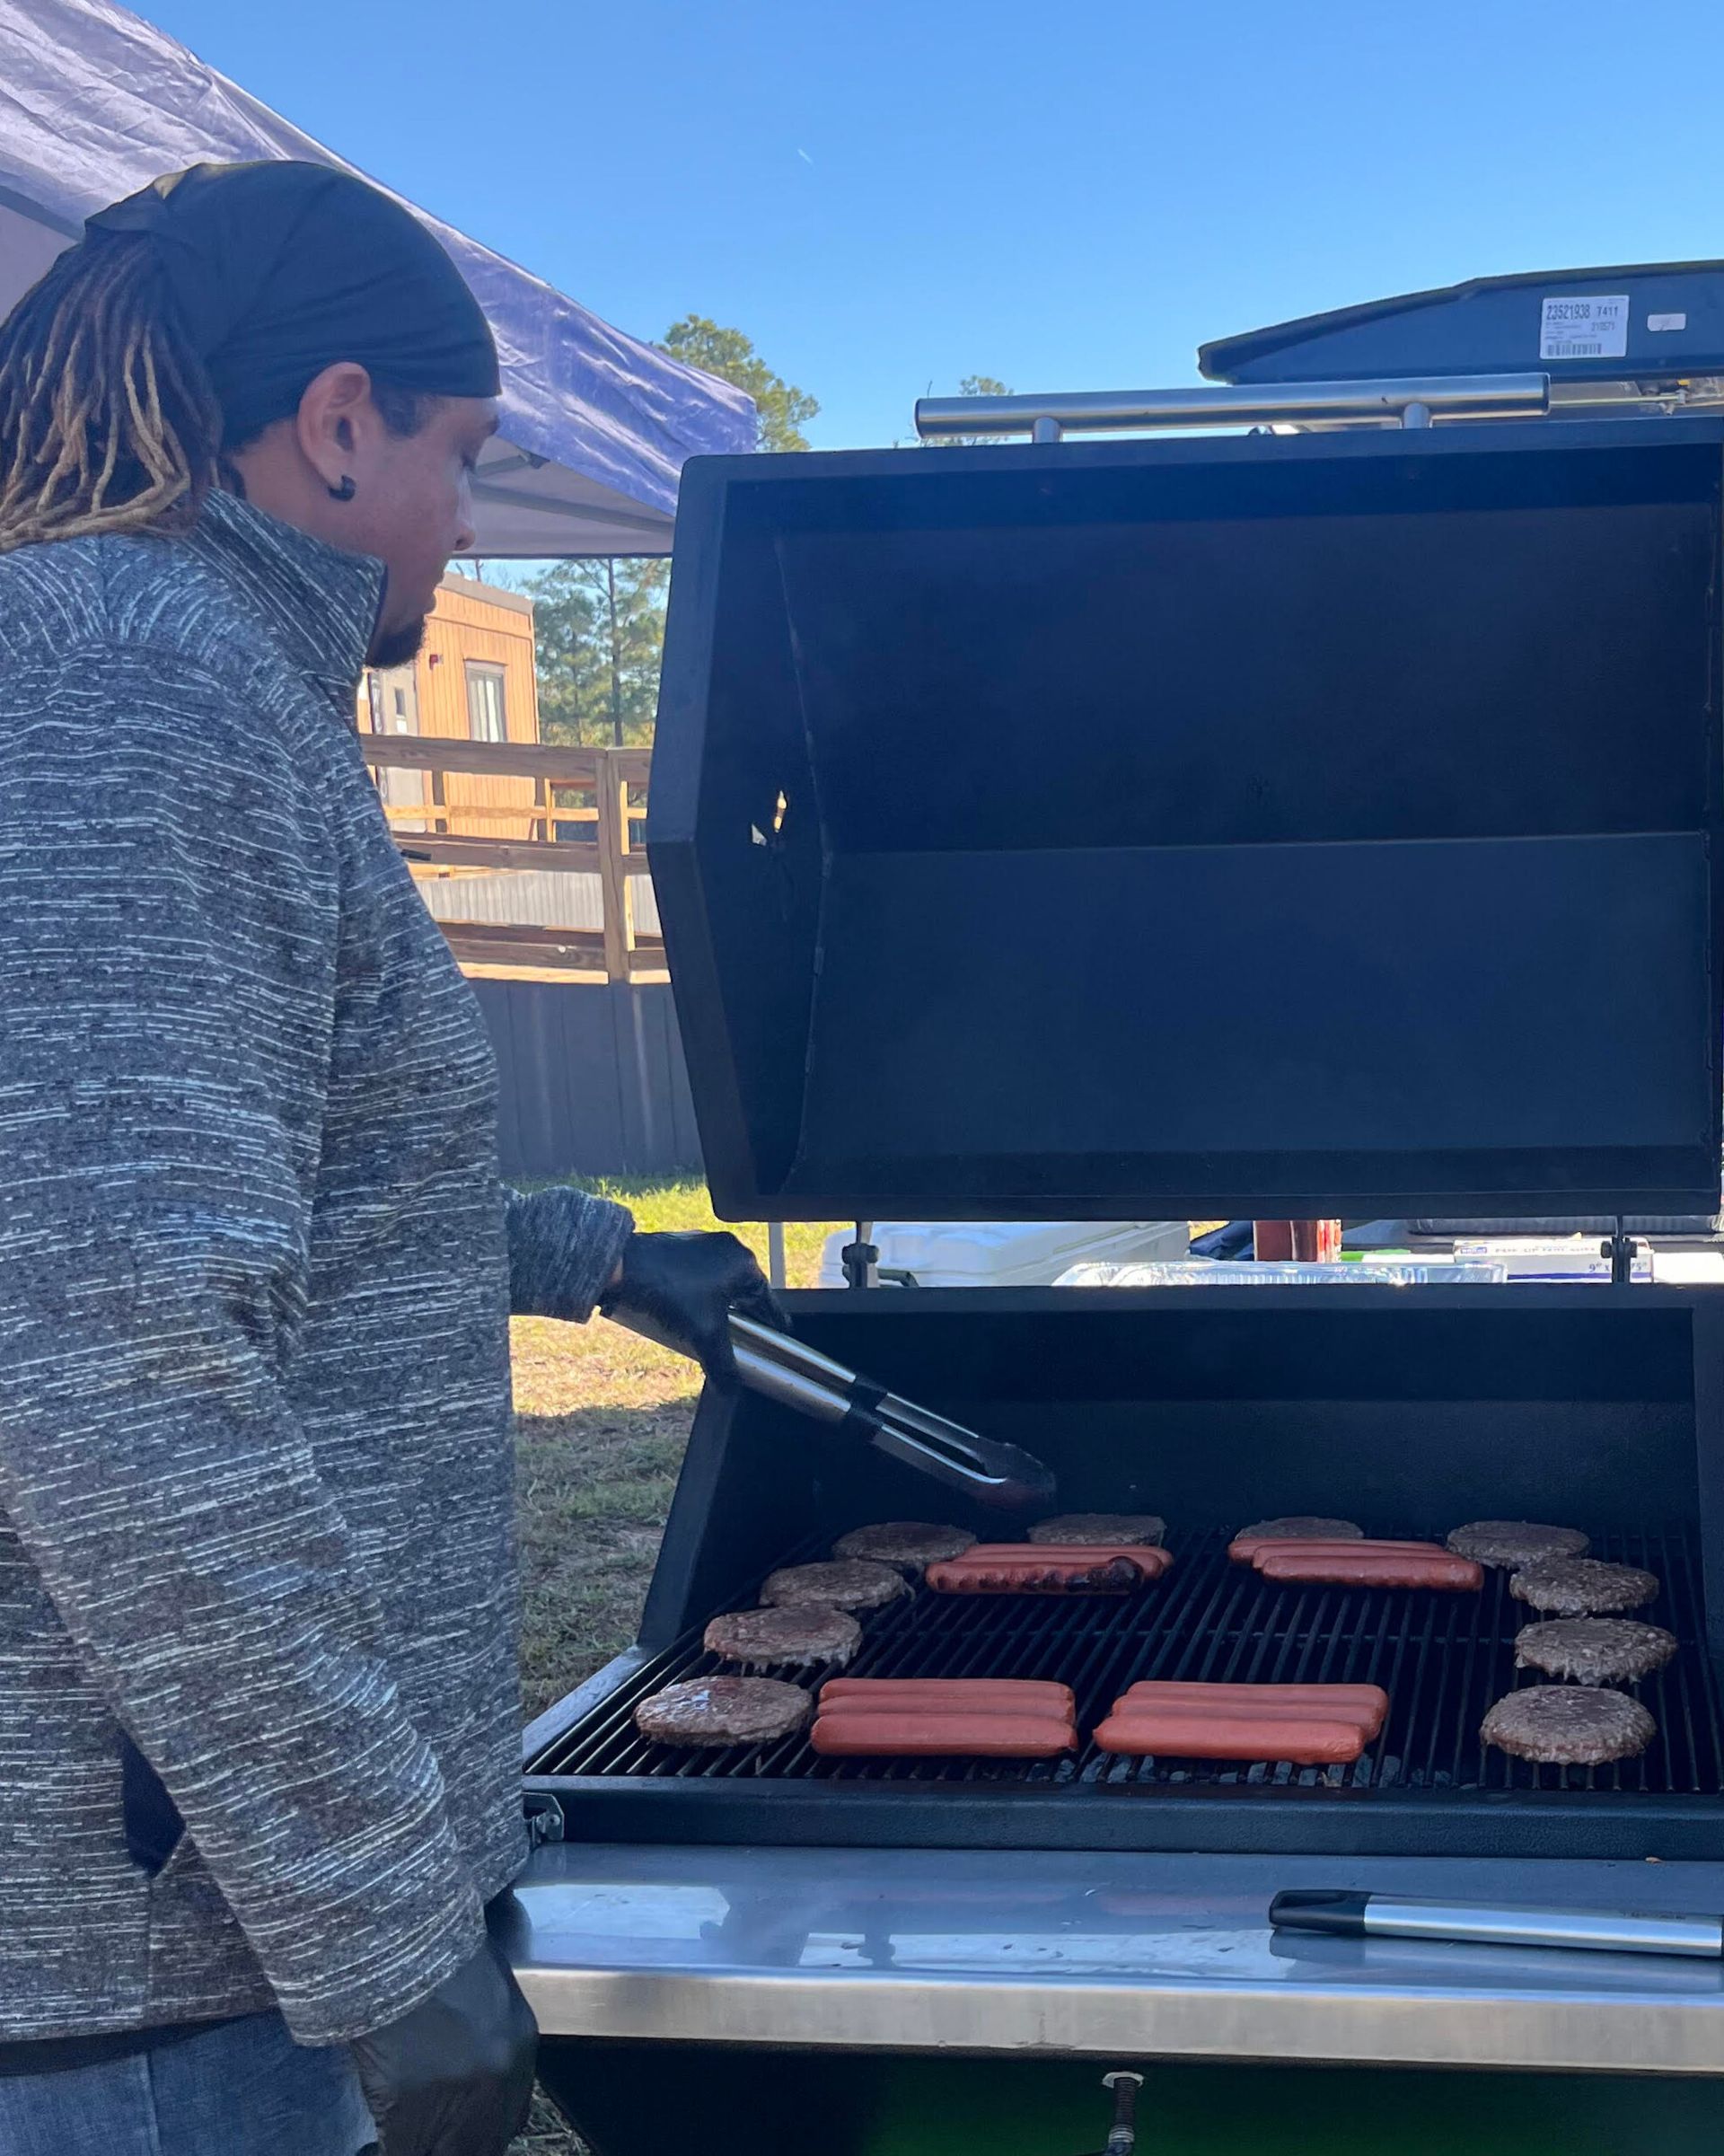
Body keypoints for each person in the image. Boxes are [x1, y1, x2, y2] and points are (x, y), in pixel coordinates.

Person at [0, 160, 781, 2156]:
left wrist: (590, 1251)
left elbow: (276, 1182)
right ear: (337, 424)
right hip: (151, 1975)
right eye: (464, 457)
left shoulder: (179, 670)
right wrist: (376, 1925)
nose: (463, 516)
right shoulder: (135, 681)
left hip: (198, 1921)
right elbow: (111, 1359)